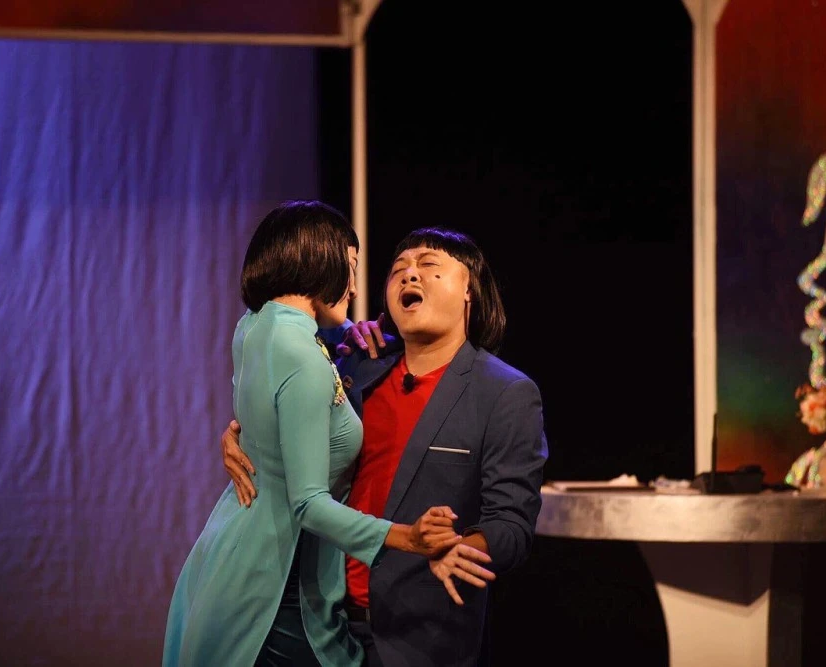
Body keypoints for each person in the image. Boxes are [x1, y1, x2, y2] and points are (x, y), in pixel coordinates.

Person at [162, 202, 495, 667]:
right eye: (351, 267)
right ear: (319, 258)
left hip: (233, 552)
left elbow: (277, 396)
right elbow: (308, 502)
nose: (355, 287)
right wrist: (407, 538)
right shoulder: (304, 357)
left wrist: (246, 436)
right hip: (275, 580)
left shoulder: (253, 326)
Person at [222, 226, 549, 666]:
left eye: (429, 265)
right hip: (322, 622)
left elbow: (511, 522)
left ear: (469, 290)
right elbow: (289, 417)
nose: (410, 274)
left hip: (416, 635)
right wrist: (240, 434)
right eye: (399, 269)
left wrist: (463, 546)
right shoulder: (356, 369)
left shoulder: (504, 392)